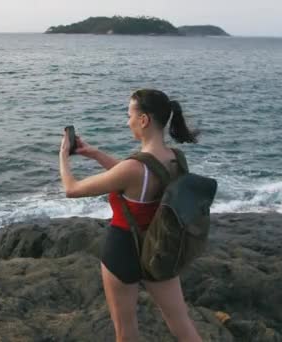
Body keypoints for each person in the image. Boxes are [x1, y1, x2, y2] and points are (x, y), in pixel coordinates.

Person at [59, 89, 202, 342]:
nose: (128, 121)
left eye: (130, 115)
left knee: (126, 330)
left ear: (144, 120)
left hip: (123, 250)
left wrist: (63, 158)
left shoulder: (134, 168)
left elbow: (72, 189)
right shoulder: (176, 159)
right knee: (181, 323)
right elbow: (138, 176)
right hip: (161, 249)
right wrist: (94, 153)